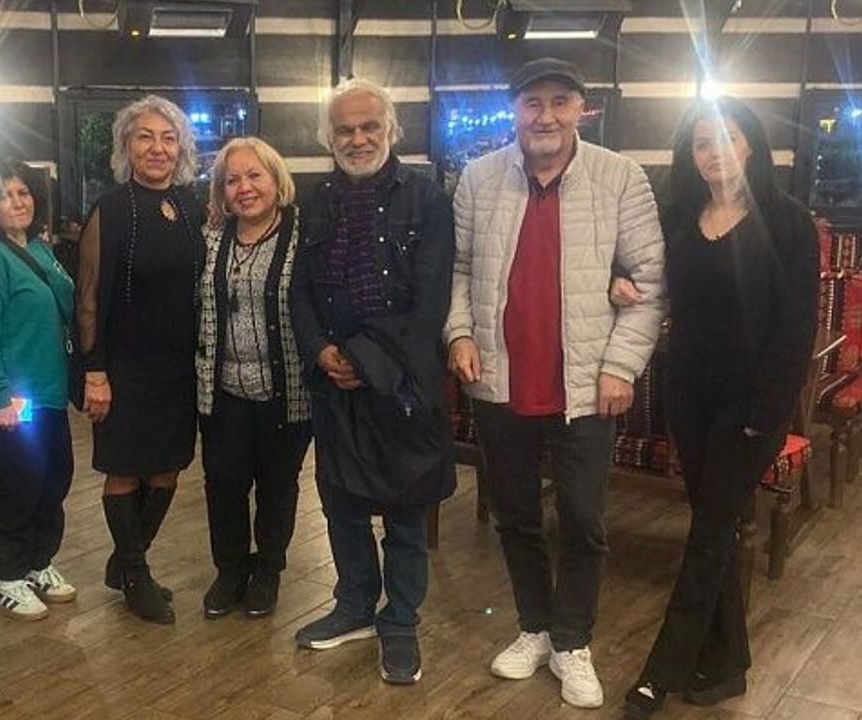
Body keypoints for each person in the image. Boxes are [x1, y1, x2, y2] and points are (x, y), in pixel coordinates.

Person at [445, 58, 667, 709]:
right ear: (514, 110)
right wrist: (458, 334)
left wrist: (620, 365)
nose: (546, 116)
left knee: (583, 521)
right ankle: (534, 627)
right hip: (499, 379)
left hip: (586, 387)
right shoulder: (479, 177)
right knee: (514, 516)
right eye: (533, 103)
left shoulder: (621, 177)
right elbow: (458, 269)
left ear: (580, 110)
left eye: (560, 102)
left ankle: (572, 641)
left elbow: (649, 281)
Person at [622, 98, 819, 718]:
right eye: (702, 143)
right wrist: (621, 285)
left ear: (750, 145)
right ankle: (728, 665)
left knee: (708, 534)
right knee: (717, 527)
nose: (714, 153)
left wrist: (766, 409)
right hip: (688, 397)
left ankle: (661, 671)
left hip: (751, 406)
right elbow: (651, 281)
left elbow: (797, 327)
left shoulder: (789, 223)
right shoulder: (679, 217)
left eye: (727, 138)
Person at [290, 78, 456, 685]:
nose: (357, 139)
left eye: (368, 127)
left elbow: (429, 302)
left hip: (401, 381)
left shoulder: (428, 199)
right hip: (334, 382)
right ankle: (355, 605)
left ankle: (401, 620)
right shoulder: (316, 201)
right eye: (344, 129)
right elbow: (300, 291)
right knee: (341, 503)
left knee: (406, 514)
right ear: (328, 137)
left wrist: (362, 359)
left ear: (390, 130)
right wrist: (321, 350)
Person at [76, 94, 204, 625]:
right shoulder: (110, 209)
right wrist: (95, 371)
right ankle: (133, 573)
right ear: (126, 146)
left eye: (168, 138)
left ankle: (127, 560)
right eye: (145, 137)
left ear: (181, 149)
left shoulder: (194, 206)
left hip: (180, 367)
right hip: (124, 367)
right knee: (126, 469)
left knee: (168, 468)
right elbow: (88, 298)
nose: (157, 148)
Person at [197, 137, 311, 619]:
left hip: (287, 391)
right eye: (232, 180)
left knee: (277, 484)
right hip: (222, 388)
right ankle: (229, 571)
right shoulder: (211, 237)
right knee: (222, 483)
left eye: (254, 175)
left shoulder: (303, 233)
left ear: (275, 178)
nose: (244, 187)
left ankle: (267, 570)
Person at [0, 160, 78, 621]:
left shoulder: (39, 248)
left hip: (48, 392)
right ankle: (6, 576)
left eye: (23, 192)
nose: (17, 201)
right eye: (4, 194)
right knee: (14, 483)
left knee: (52, 479)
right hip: (11, 398)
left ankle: (36, 562)